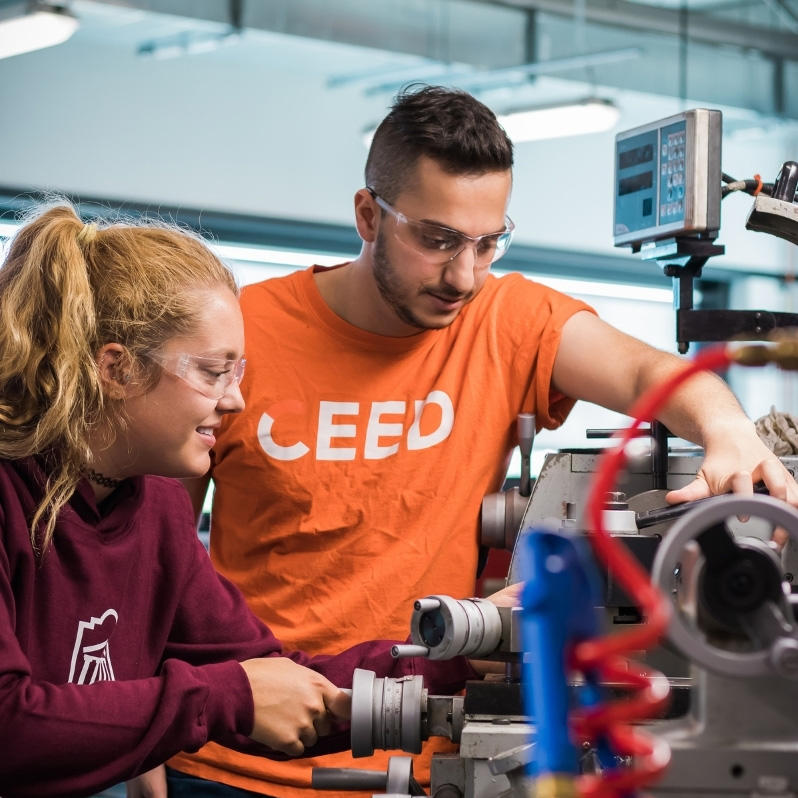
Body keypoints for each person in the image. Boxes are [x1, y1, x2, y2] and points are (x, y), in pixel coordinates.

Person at [168, 85, 798, 796]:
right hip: (229, 761)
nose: (464, 275)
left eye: (487, 242)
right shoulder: (246, 333)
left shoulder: (508, 319)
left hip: (422, 757)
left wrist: (729, 430)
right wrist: (150, 748)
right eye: (436, 240)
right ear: (368, 215)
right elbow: (153, 555)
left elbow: (651, 372)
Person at [0, 202, 521, 798]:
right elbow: (9, 729)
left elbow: (280, 681)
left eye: (238, 373)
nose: (235, 402)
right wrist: (230, 695)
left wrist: (465, 651)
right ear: (114, 370)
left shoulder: (156, 508)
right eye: (212, 372)